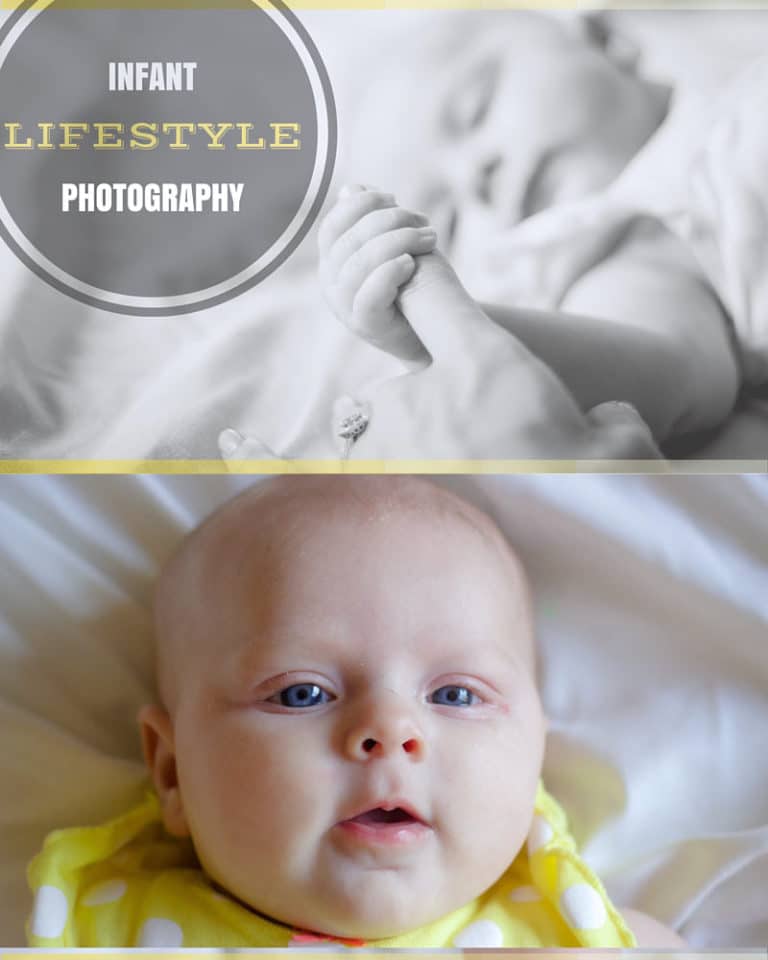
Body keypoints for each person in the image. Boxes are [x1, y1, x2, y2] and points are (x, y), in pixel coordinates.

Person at [27, 477, 683, 947]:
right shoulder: (107, 933)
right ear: (172, 773)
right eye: (301, 694)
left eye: (455, 696)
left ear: (534, 756)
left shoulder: (589, 939)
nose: (390, 730)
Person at [317, 11, 745, 455]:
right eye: (450, 220)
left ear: (608, 39)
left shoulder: (733, 71)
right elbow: (670, 367)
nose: (471, 176)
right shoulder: (622, 253)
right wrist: (444, 331)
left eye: (475, 110)